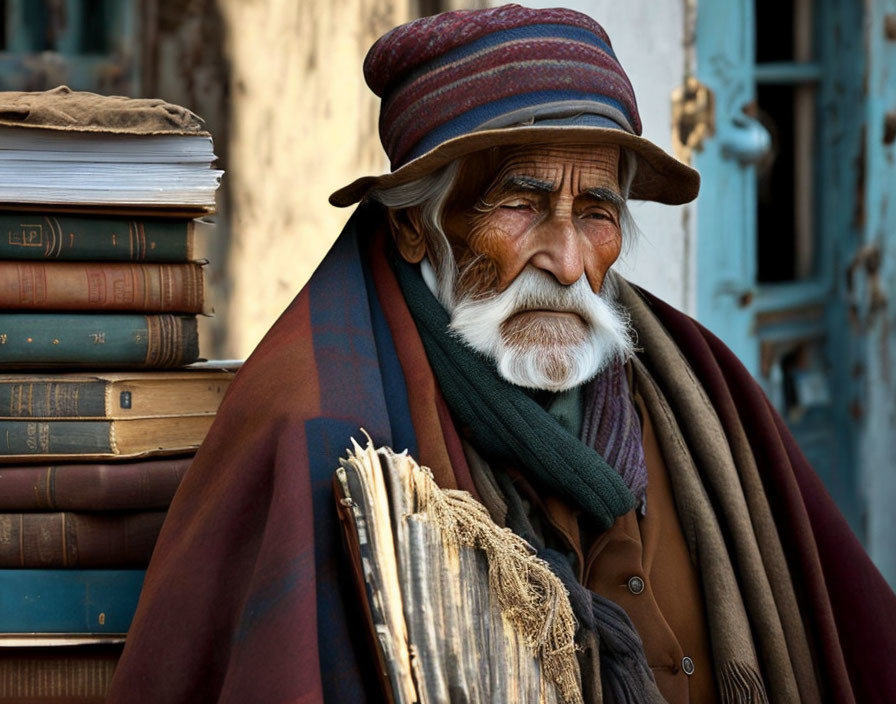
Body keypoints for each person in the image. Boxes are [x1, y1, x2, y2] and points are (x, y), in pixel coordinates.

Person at [107, 5, 896, 703]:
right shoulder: (312, 416)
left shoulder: (698, 382)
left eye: (596, 212)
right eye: (519, 204)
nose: (564, 256)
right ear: (416, 226)